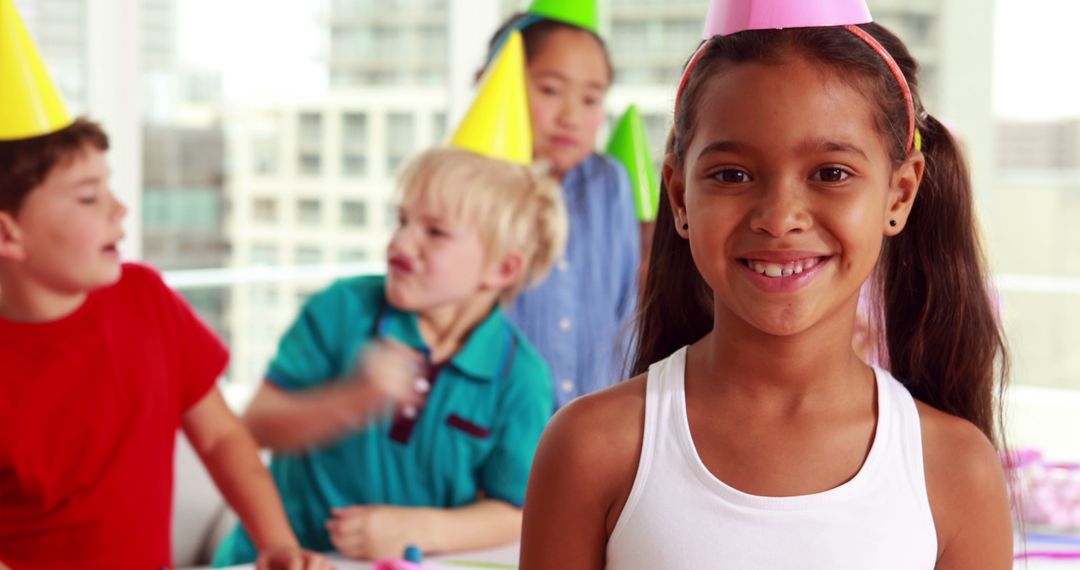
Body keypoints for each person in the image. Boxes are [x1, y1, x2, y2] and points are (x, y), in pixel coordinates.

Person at [519, 1, 1013, 568]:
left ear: (899, 195)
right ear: (680, 197)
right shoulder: (591, 448)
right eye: (731, 175)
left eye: (831, 174)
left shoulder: (954, 469)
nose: (779, 218)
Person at [213, 33, 568, 565]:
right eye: (402, 221)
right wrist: (352, 399)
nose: (401, 243)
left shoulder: (520, 378)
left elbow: (517, 508)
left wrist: (419, 528)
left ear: (503, 268)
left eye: (435, 232)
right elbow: (256, 425)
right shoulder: (342, 309)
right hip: (275, 558)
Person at [0, 118, 330, 570]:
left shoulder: (147, 300)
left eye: (108, 187)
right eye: (87, 197)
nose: (119, 209)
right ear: (7, 234)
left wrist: (275, 543)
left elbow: (219, 437)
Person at [486, 0, 641, 408]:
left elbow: (627, 309)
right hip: (501, 431)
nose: (571, 116)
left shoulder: (610, 184)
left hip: (595, 427)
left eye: (591, 99)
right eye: (551, 90)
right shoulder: (477, 189)